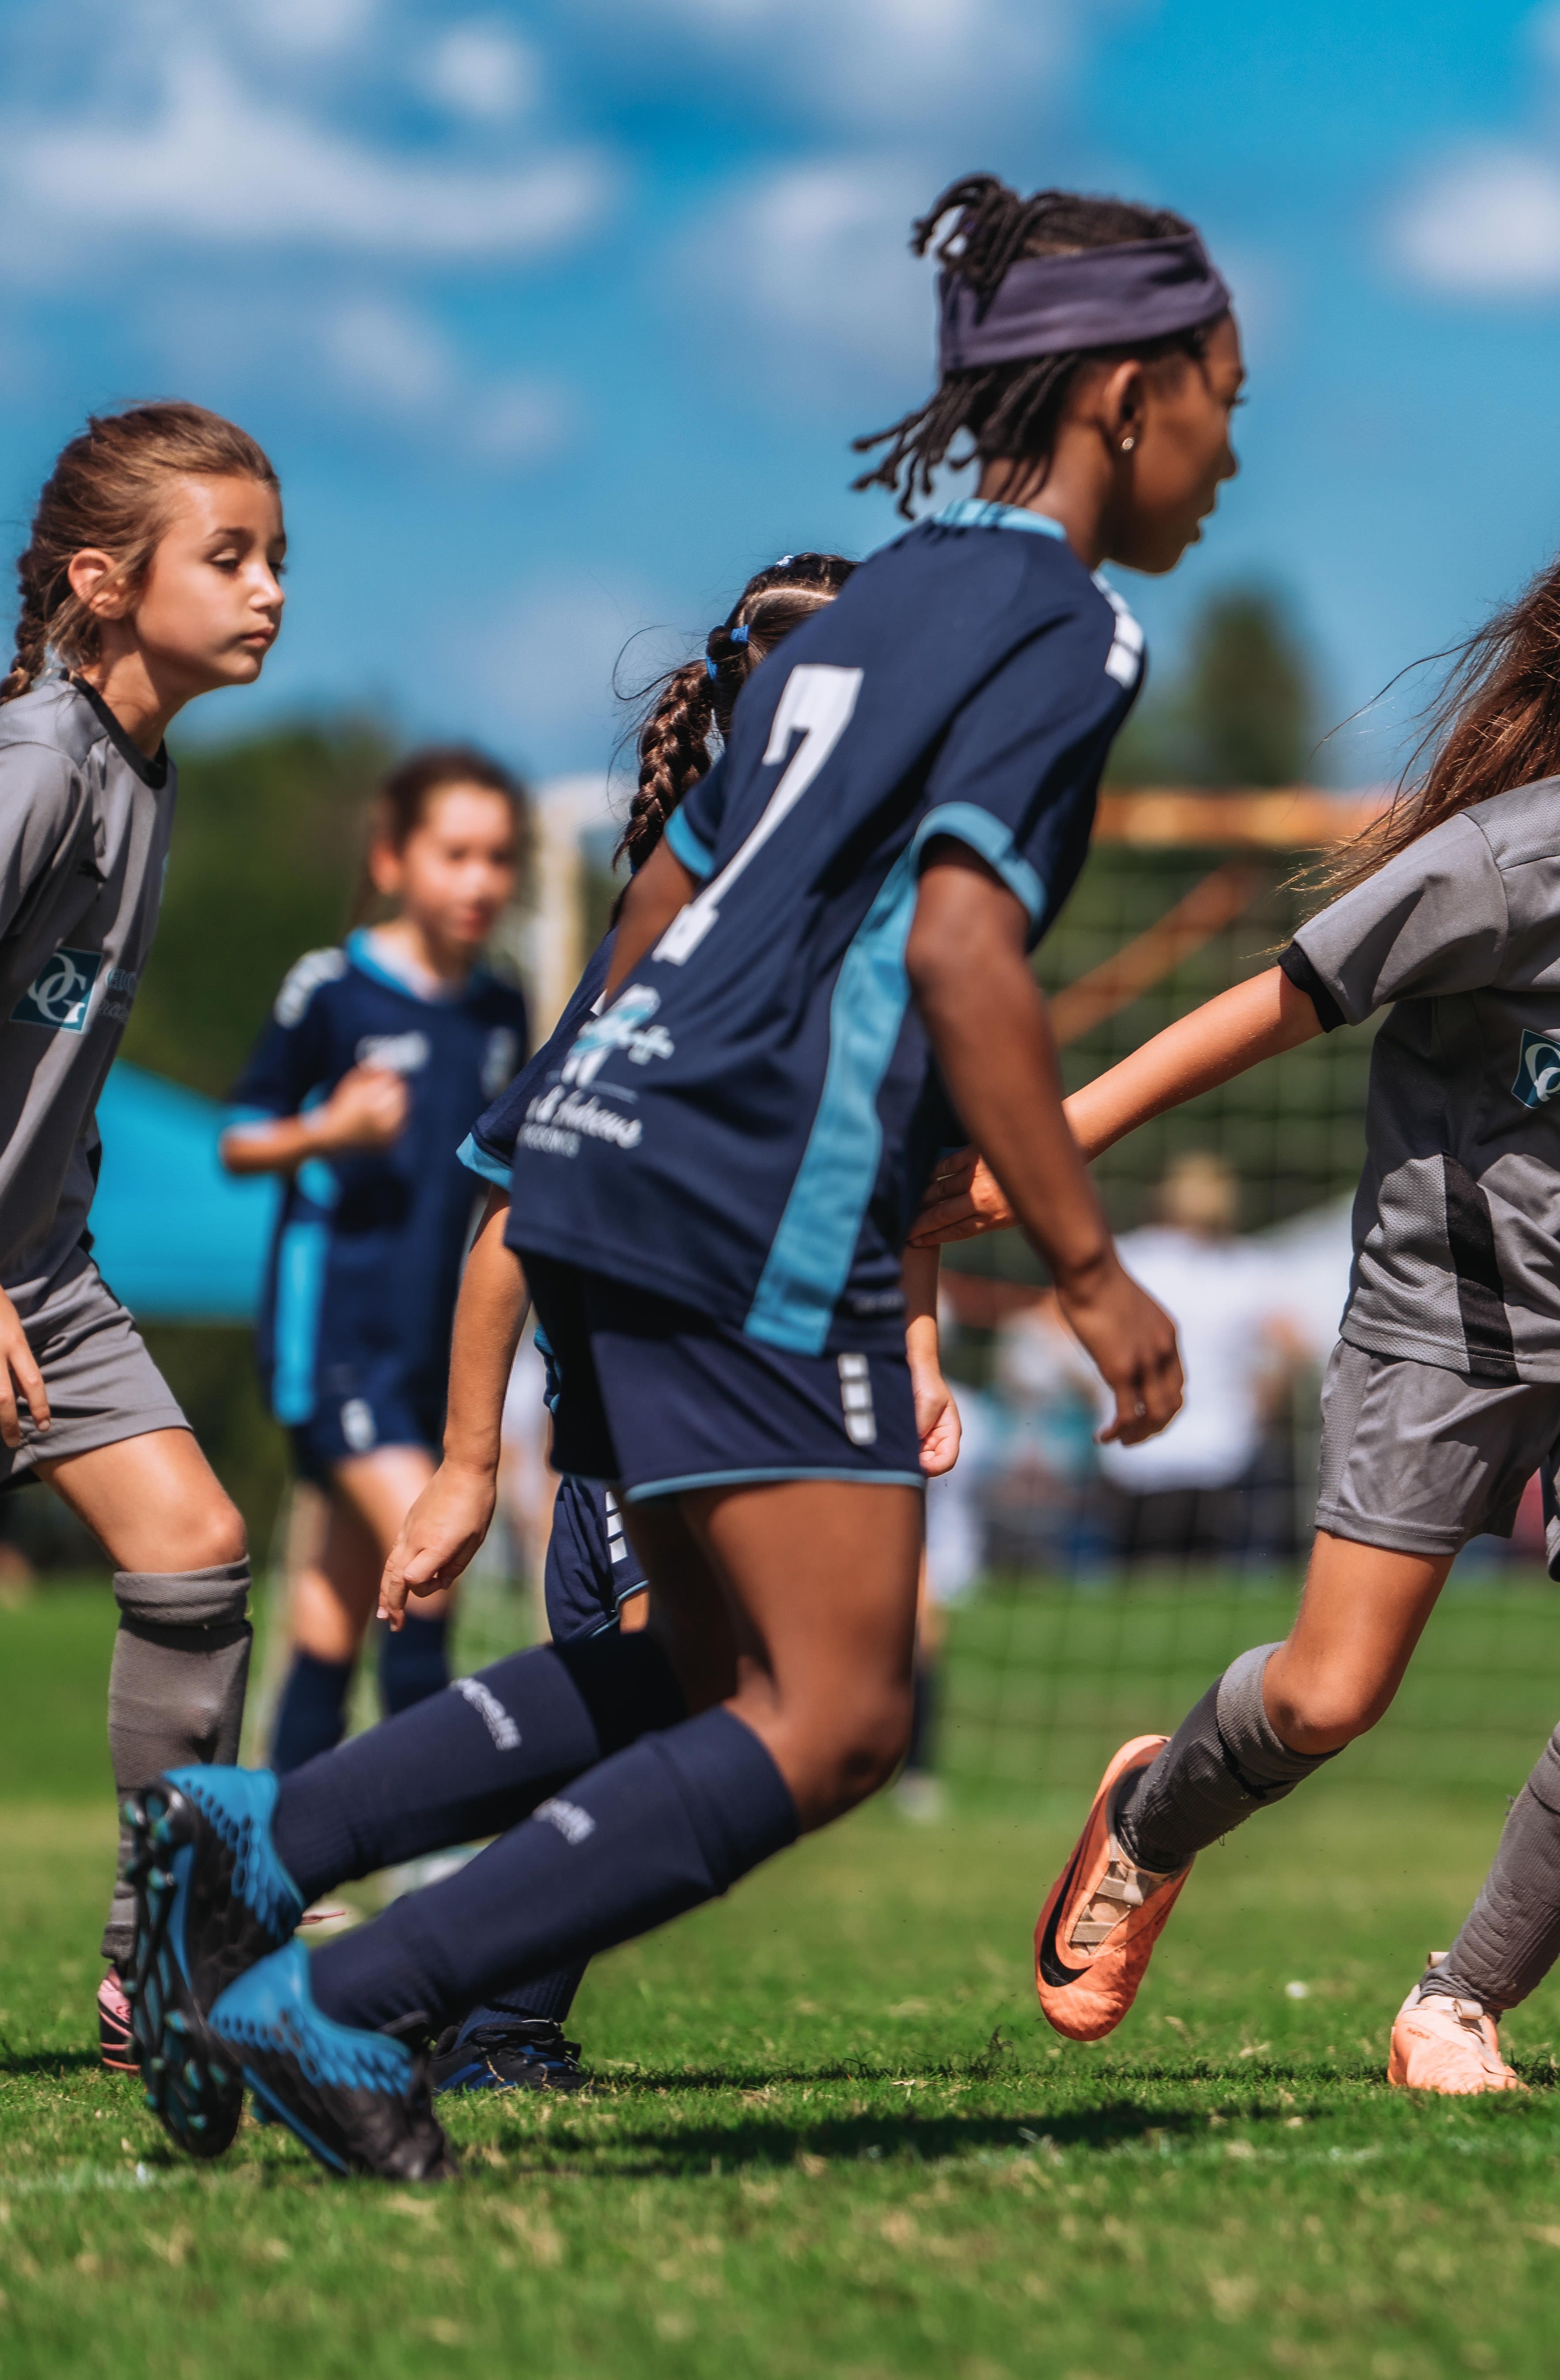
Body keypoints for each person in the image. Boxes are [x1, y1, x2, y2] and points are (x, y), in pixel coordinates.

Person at [125, 171, 1218, 2179]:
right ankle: (349, 2001)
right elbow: (968, 944)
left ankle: (268, 1832)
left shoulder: (879, 596)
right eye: (1224, 394)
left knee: (702, 1667)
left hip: (606, 1144)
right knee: (837, 1711)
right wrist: (1088, 1260)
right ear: (1130, 394)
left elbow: (667, 882)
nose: (1231, 448)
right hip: (753, 1182)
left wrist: (590, 1108)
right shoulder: (1069, 623)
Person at [922, 465, 1560, 2093]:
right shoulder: (1497, 864)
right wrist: (1051, 1139)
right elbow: (1273, 1001)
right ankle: (1148, 1811)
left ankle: (1455, 2002)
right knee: (1329, 1695)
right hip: (1447, 1322)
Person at [386, 553, 861, 2090]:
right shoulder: (674, 947)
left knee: (714, 1725)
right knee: (672, 1729)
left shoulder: (831, 931)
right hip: (640, 1438)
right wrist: (470, 1465)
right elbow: (511, 1219)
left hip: (730, 1420)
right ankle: (393, 1970)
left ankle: (464, 2004)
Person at [0, 402, 283, 2073]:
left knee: (191, 1546)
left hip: (43, 1267)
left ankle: (157, 1971)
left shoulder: (143, 765)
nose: (268, 592)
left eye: (275, 558)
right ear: (106, 584)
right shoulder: (38, 763)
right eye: (228, 557)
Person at [221, 747, 528, 1774]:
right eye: (456, 853)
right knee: (435, 1560)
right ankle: (435, 1836)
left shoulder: (500, 1008)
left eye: (500, 857)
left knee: (338, 1608)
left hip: (431, 1354)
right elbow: (240, 1137)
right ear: (394, 859)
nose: (481, 880)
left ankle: (271, 1848)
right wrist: (331, 1128)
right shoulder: (333, 989)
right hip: (336, 1340)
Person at [1073, 1150, 1304, 1566]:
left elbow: (1052, 1325)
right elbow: (1293, 1346)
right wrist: (1264, 1400)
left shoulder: (1131, 1257)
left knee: (1142, 1572)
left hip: (1149, 1441)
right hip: (1215, 1446)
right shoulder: (1246, 1266)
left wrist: (1096, 1387)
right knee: (1200, 1574)